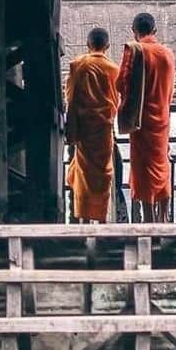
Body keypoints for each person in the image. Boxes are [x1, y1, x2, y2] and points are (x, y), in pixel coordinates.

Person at [118, 12, 175, 223]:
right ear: (155, 31)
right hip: (162, 116)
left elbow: (121, 83)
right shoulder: (168, 53)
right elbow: (171, 88)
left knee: (143, 166)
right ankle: (163, 214)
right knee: (162, 161)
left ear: (134, 32)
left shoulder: (135, 50)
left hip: (141, 119)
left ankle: (149, 214)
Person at [64, 26, 120, 224]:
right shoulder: (114, 70)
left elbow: (70, 98)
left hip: (83, 130)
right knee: (103, 175)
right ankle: (102, 219)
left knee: (83, 175)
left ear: (88, 45)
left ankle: (84, 220)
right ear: (107, 46)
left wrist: (71, 130)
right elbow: (117, 100)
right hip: (104, 130)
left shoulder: (77, 65)